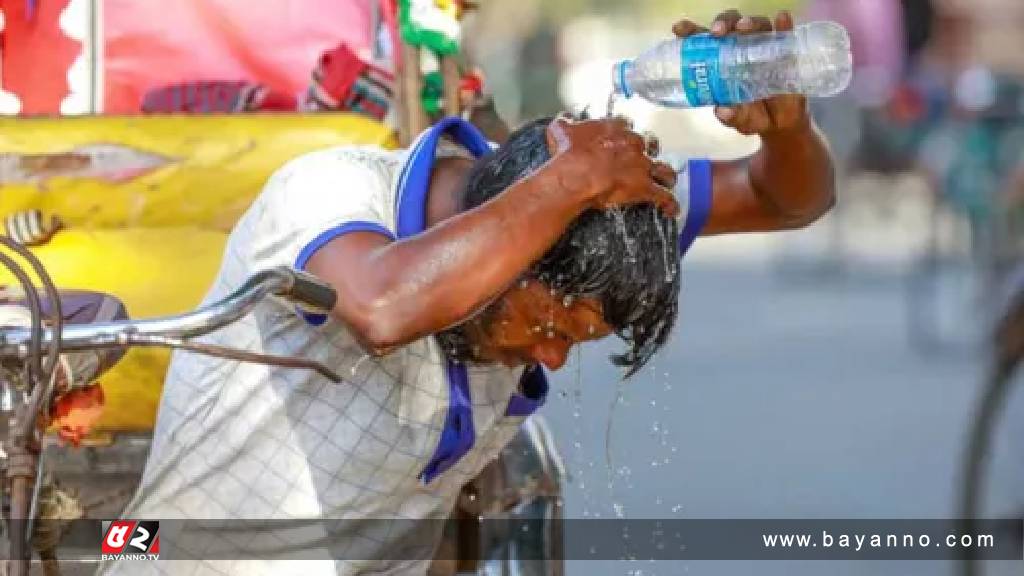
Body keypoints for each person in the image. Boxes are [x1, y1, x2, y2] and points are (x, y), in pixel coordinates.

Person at [100, 9, 835, 576]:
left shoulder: (585, 232)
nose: (550, 354)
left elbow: (787, 198)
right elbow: (384, 309)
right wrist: (570, 179)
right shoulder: (328, 192)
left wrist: (789, 128)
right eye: (550, 323)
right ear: (516, 247)